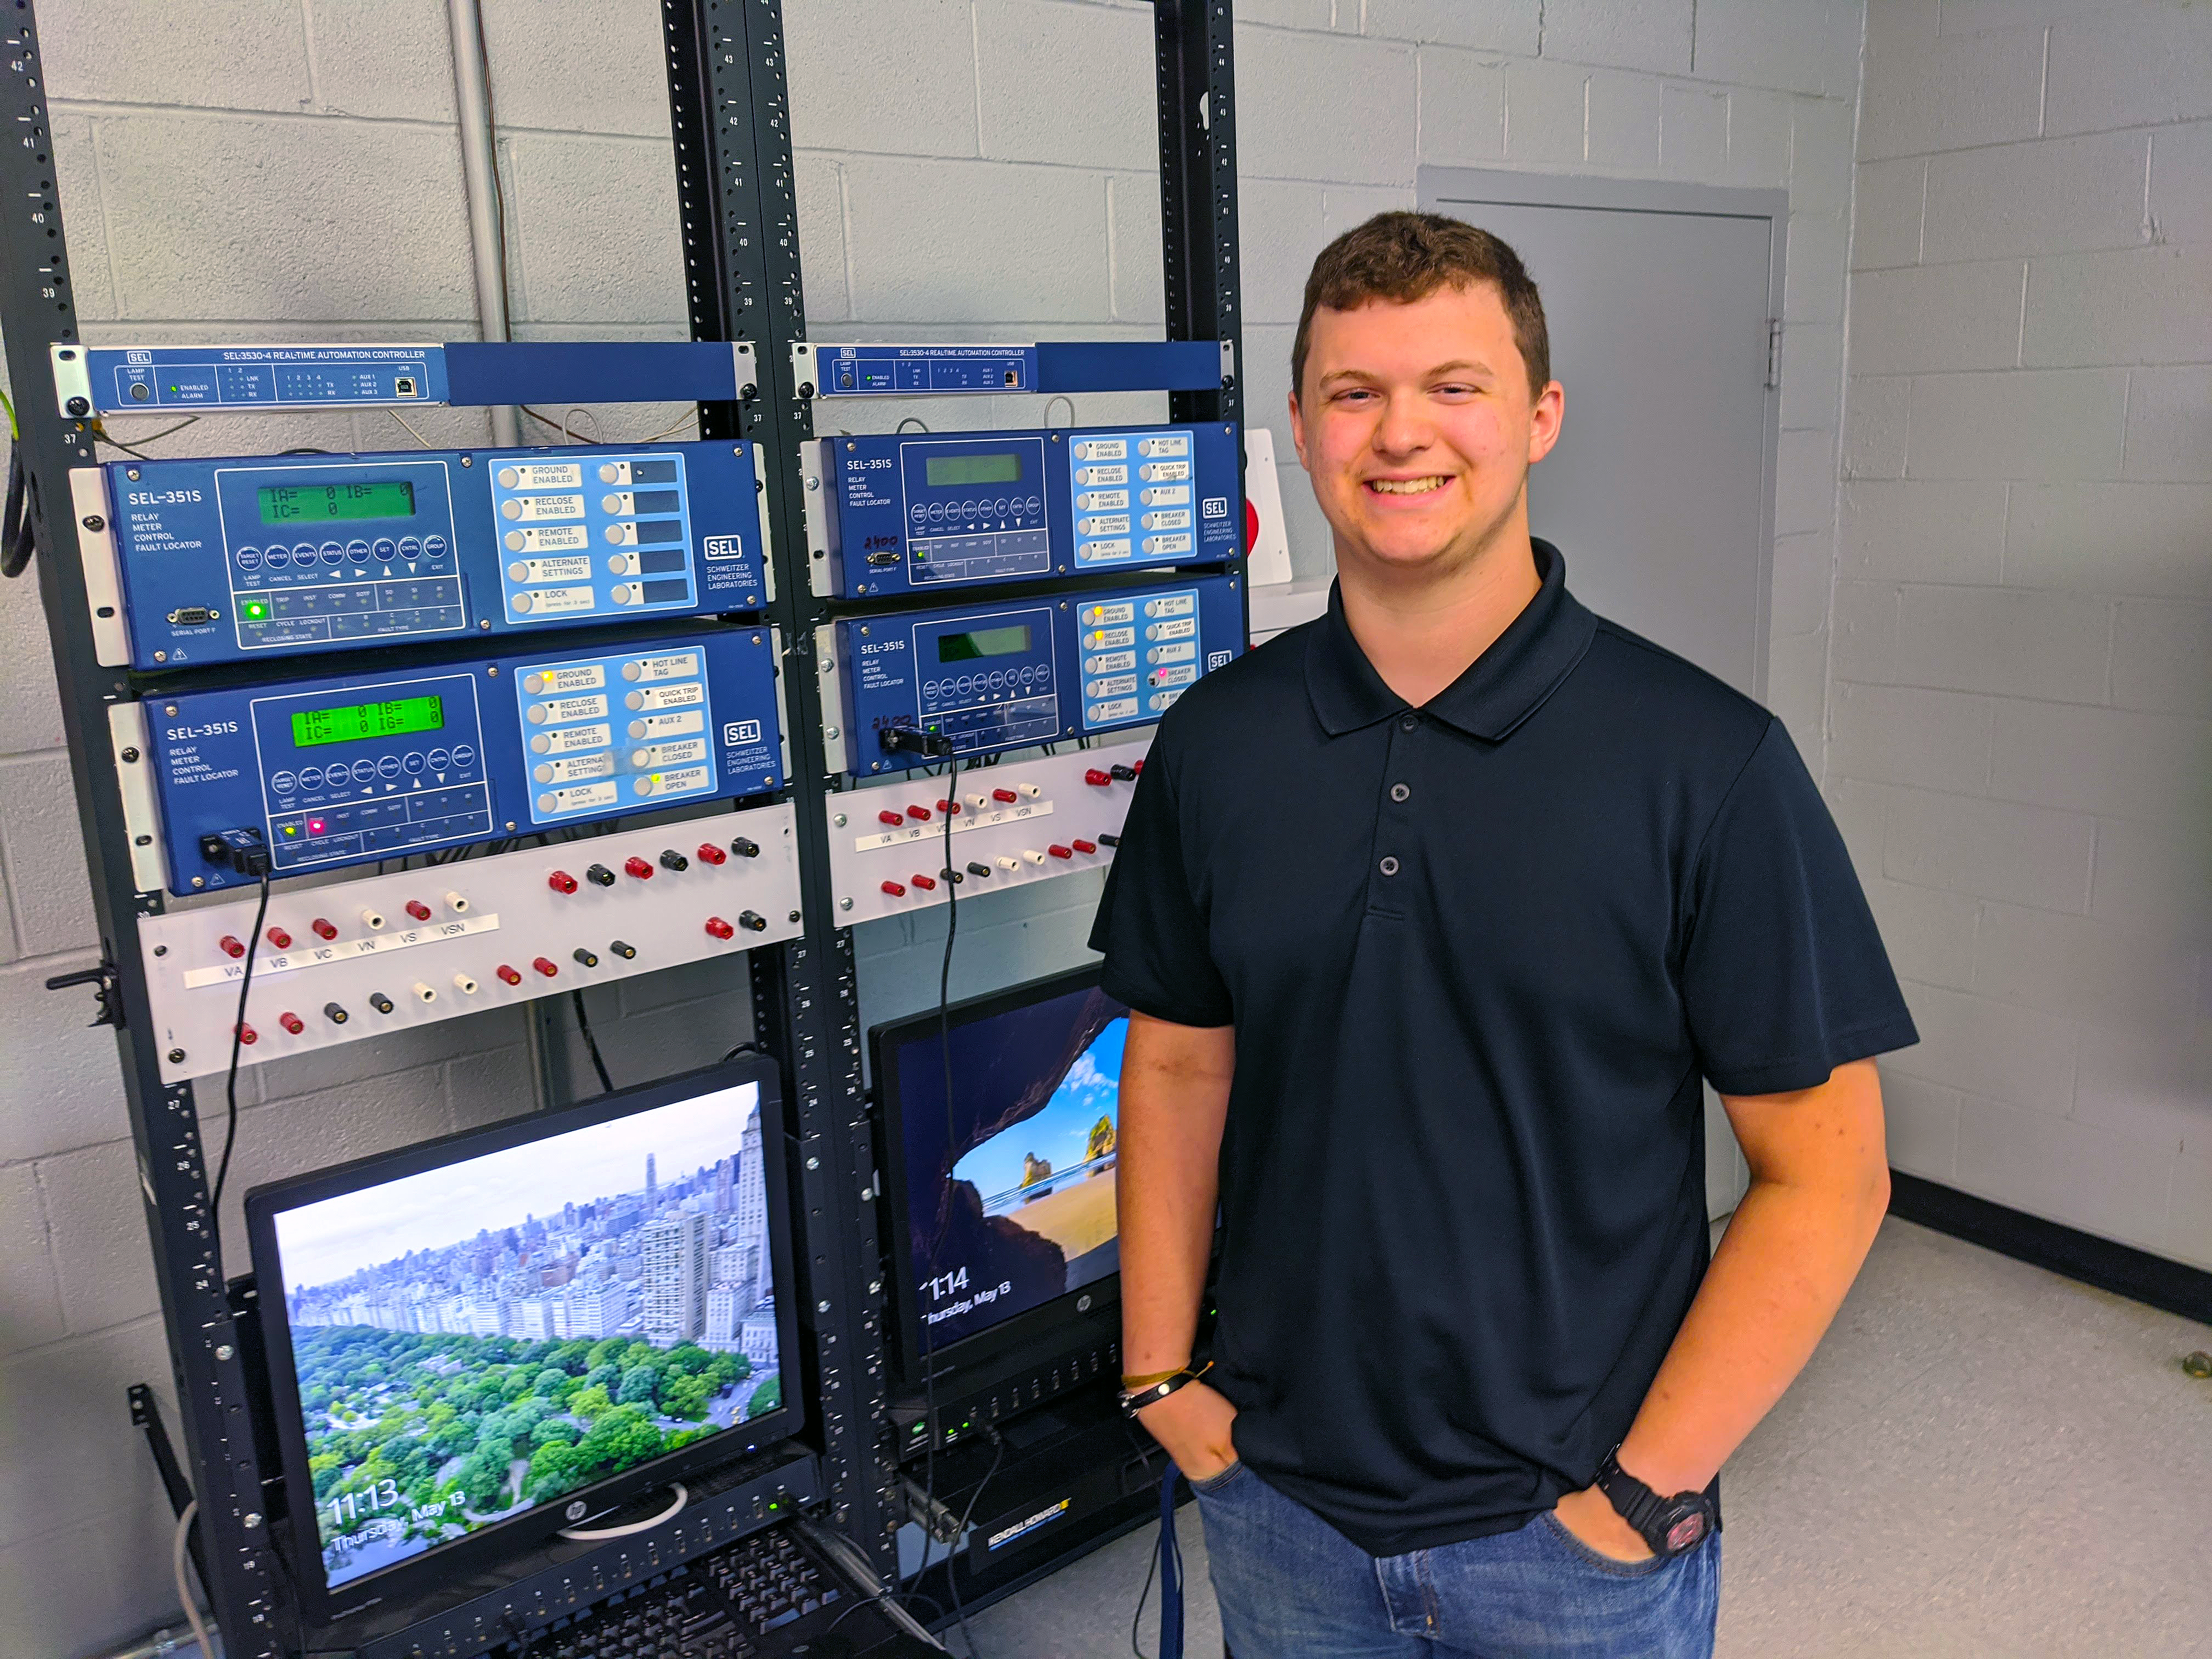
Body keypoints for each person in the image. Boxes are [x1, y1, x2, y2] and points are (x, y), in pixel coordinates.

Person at [1090, 211, 1917, 1659]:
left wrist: (1645, 1486)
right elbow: (1173, 1066)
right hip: (1283, 1504)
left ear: (1540, 416)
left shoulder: (1707, 762)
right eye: (1355, 393)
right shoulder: (1215, 747)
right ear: (1299, 426)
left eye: (1454, 386)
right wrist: (1162, 1375)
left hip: (1575, 1532)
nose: (1400, 434)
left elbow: (1830, 1174)